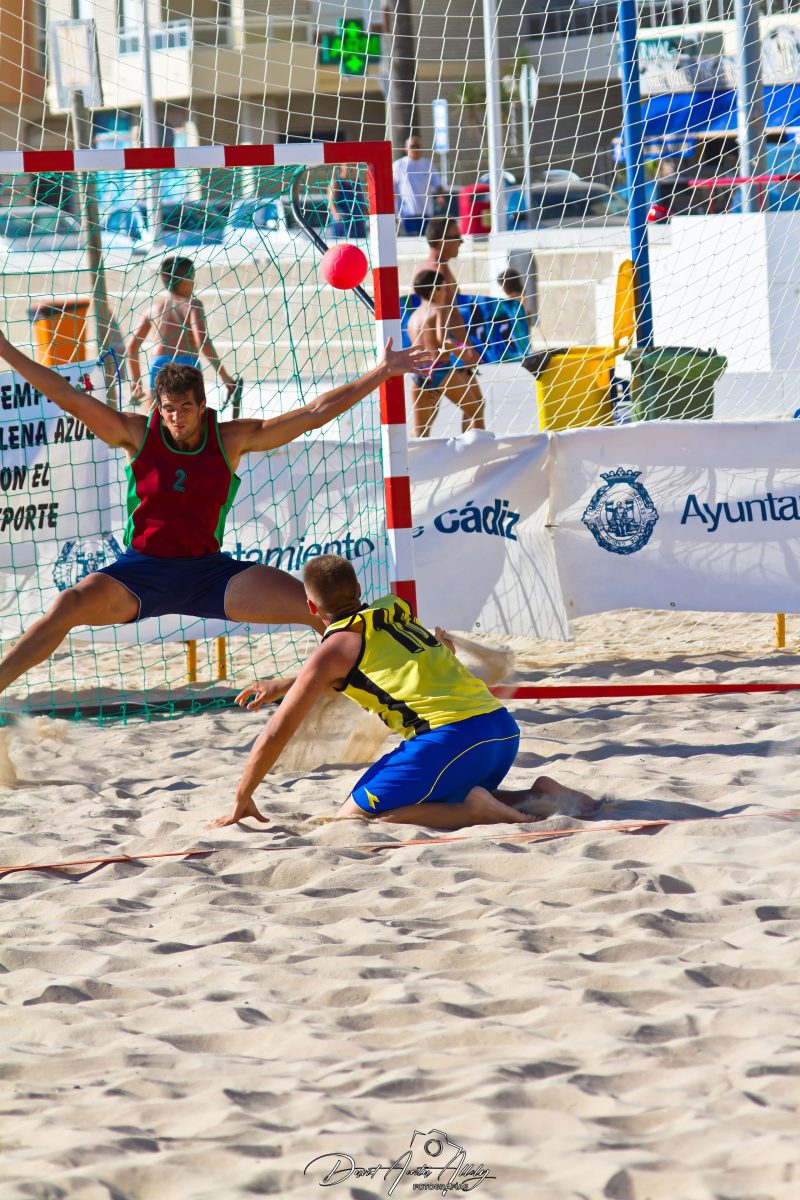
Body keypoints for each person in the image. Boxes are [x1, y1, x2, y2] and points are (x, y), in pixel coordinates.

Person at [0, 337, 432, 700]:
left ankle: (384, 689)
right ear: (158, 406)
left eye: (185, 407)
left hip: (210, 575)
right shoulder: (137, 432)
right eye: (168, 408)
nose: (176, 417)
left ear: (203, 405)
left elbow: (314, 413)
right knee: (65, 606)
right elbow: (68, 397)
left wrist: (381, 372)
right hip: (141, 572)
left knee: (323, 611)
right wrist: (6, 350)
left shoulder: (230, 439)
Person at [210, 555, 596, 830]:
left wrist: (241, 797)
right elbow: (387, 663)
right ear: (359, 589)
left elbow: (278, 730)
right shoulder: (394, 611)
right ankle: (537, 796)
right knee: (420, 801)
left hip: (452, 739)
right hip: (501, 732)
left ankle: (475, 811)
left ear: (311, 606)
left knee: (356, 819)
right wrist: (285, 684)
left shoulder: (332, 651)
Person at [126, 256, 235, 409]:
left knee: (155, 417)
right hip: (186, 365)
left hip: (159, 365)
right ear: (185, 281)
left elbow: (131, 348)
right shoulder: (192, 305)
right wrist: (225, 376)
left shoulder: (152, 309)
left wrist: (136, 384)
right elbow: (202, 342)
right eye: (193, 279)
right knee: (190, 415)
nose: (194, 284)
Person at [406, 269, 484, 437]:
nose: (446, 292)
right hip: (440, 370)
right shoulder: (439, 309)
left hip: (419, 374)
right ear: (435, 290)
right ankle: (474, 453)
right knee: (475, 410)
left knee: (421, 429)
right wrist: (463, 351)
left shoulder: (413, 318)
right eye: (444, 288)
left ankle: (415, 461)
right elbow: (444, 341)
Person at [393, 137, 444, 237]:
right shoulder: (398, 165)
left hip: (426, 213)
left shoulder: (428, 164)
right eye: (412, 146)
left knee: (426, 241)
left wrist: (440, 196)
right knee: (412, 242)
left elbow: (438, 184)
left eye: (418, 146)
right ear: (406, 148)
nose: (415, 148)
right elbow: (392, 189)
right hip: (407, 214)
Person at [327, 163, 368, 240]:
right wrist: (337, 215)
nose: (351, 167)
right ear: (342, 166)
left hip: (358, 223)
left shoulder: (358, 183)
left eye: (353, 165)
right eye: (348, 165)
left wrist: (370, 216)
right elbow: (331, 203)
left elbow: (362, 203)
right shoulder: (336, 182)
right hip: (343, 224)